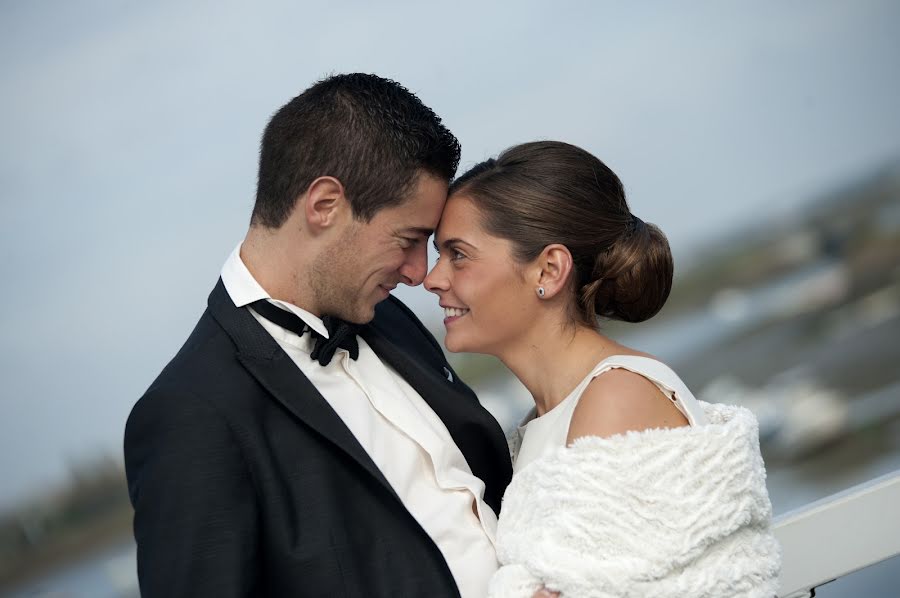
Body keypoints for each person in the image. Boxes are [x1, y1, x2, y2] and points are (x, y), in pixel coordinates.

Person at [123, 73, 513, 598]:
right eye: (408, 239)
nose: (420, 273)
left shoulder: (389, 318)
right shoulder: (189, 415)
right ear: (325, 204)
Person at [425, 141, 782, 597]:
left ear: (549, 271)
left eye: (458, 254)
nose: (432, 279)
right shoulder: (550, 419)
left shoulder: (615, 398)